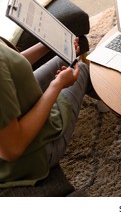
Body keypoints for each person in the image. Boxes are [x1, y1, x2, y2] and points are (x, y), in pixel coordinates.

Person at [0, 37, 94, 187]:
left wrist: (50, 43)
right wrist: (57, 85)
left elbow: (11, 64)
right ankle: (117, 101)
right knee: (80, 68)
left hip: (20, 107)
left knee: (64, 59)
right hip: (32, 155)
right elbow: (12, 149)